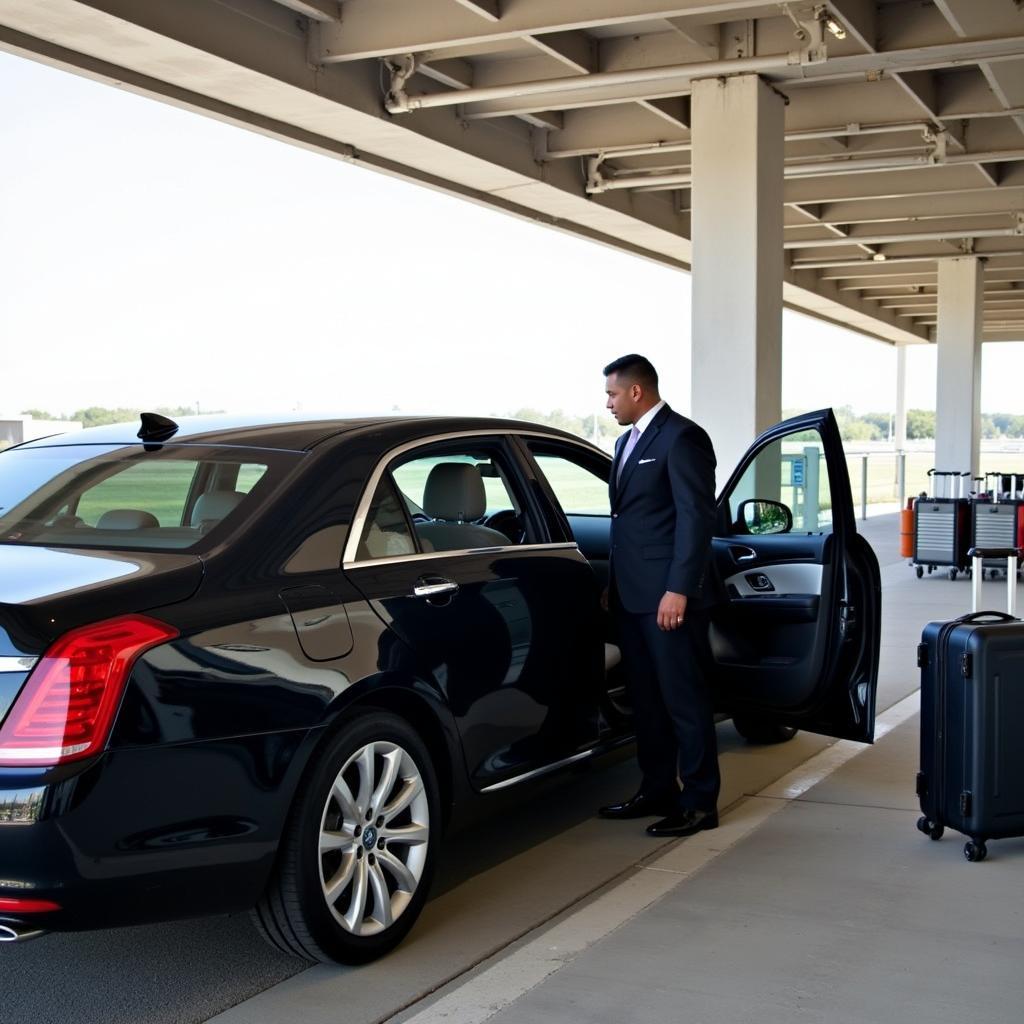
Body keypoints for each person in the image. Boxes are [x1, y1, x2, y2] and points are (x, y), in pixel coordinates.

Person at [597, 353, 720, 837]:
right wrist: (613, 585)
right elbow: (625, 522)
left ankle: (700, 803)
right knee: (646, 702)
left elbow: (696, 518)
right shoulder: (627, 441)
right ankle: (656, 791)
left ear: (635, 391)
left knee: (683, 703)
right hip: (631, 597)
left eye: (611, 393)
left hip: (668, 599)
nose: (607, 403)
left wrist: (678, 589)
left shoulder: (682, 437)